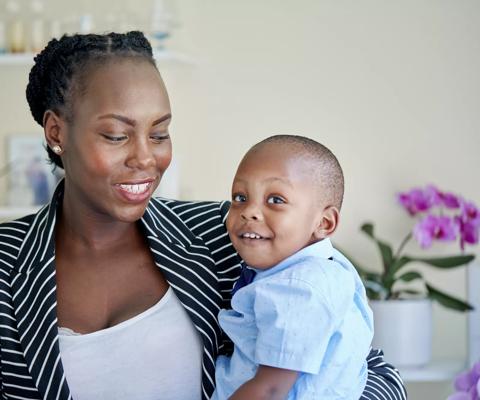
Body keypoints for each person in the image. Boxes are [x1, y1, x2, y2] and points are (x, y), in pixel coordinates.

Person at [0, 31, 407, 400]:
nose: (146, 157)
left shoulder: (228, 236)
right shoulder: (7, 263)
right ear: (56, 133)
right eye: (116, 135)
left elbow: (369, 370)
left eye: (159, 134)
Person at [211, 135, 373, 400]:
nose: (249, 211)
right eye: (240, 197)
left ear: (324, 223)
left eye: (275, 200)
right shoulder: (323, 270)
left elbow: (271, 389)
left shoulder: (300, 288)